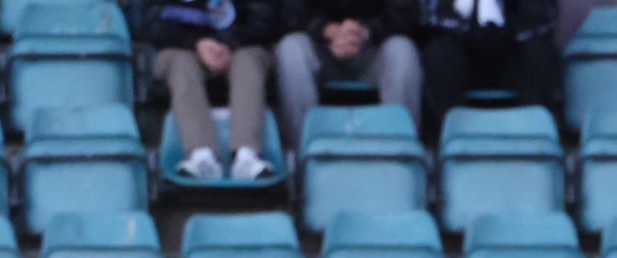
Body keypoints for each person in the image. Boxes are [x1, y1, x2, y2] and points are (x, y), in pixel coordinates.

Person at [146, 0, 280, 180]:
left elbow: (265, 21)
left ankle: (246, 155)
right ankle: (201, 155)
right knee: (181, 63)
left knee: (249, 61)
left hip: (240, 46)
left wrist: (228, 44)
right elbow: (153, 24)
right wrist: (196, 43)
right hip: (183, 48)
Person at [275, 0, 425, 146]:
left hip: (374, 46)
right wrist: (326, 29)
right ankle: (305, 149)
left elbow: (405, 12)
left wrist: (365, 31)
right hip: (319, 45)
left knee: (402, 50)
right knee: (291, 49)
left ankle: (401, 151)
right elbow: (290, 14)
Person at [419, 0, 560, 137]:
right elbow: (431, 18)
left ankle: (535, 137)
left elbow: (544, 21)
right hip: (462, 45)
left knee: (538, 54)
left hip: (513, 47)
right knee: (440, 53)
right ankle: (451, 137)